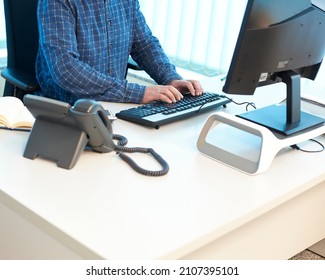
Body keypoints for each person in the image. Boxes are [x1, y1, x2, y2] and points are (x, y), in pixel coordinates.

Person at [36, 0, 204, 105]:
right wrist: (138, 93)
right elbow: (66, 69)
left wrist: (170, 78)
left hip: (116, 105)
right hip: (69, 107)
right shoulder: (56, 2)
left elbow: (144, 45)